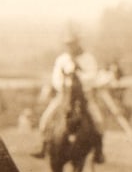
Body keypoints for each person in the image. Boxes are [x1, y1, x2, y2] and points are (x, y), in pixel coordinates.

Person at [33, 33, 107, 162]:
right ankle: (43, 146)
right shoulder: (62, 59)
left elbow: (93, 75)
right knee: (46, 118)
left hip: (84, 95)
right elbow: (56, 77)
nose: (70, 47)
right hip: (65, 95)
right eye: (68, 44)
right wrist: (64, 84)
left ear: (78, 43)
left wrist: (77, 77)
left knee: (98, 120)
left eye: (73, 43)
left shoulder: (88, 58)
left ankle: (98, 151)